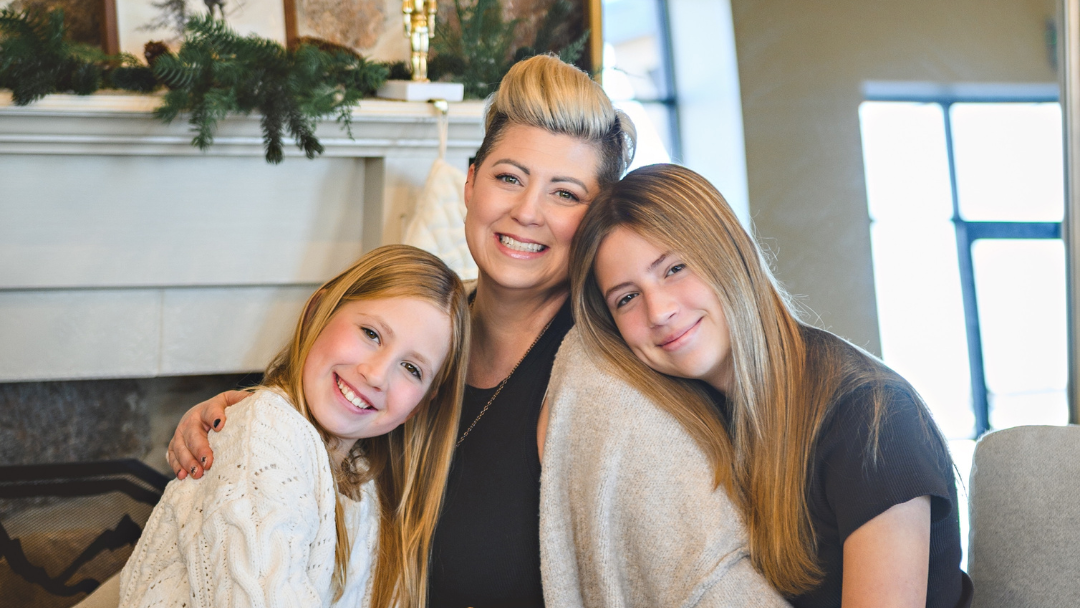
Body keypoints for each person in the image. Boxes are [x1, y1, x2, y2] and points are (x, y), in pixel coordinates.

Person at [163, 55, 787, 607]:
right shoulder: (422, 330)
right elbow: (308, 472)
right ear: (470, 183)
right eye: (509, 177)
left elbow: (711, 578)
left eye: (565, 194)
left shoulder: (606, 392)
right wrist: (246, 420)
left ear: (595, 222)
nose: (527, 211)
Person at [569, 163, 974, 608]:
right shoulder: (678, 428)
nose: (659, 310)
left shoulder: (874, 418)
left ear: (730, 252)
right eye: (626, 298)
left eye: (674, 268)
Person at [119, 245, 469, 608]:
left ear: (420, 406)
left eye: (412, 369)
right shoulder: (267, 430)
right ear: (318, 311)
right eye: (371, 333)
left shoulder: (366, 484)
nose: (377, 374)